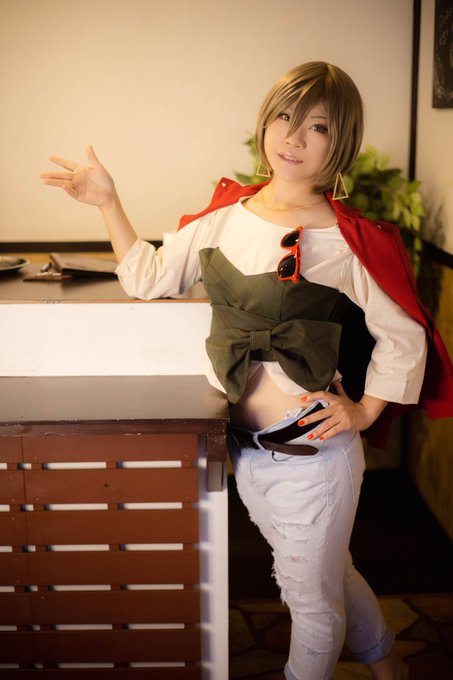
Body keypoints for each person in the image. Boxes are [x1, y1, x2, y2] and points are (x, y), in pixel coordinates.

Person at [41, 61, 453, 680]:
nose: (294, 137)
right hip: (245, 451)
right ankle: (388, 664)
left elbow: (404, 335)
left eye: (318, 126)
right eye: (285, 116)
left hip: (313, 457)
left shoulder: (349, 239)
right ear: (265, 123)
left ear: (339, 142)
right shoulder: (226, 215)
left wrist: (365, 411)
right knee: (331, 574)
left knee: (311, 603)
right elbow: (148, 277)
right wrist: (108, 201)